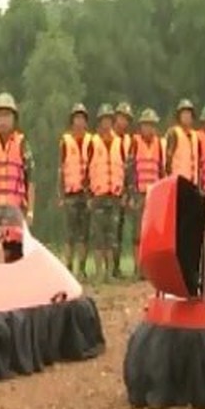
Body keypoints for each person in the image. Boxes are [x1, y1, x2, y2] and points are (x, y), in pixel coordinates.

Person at [0, 92, 35, 227]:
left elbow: (31, 180)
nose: (2, 120)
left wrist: (30, 212)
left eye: (6, 115)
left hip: (15, 208)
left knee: (14, 246)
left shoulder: (22, 143)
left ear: (14, 119)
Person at [125, 108, 164, 279]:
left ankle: (151, 269)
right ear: (141, 127)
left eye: (152, 125)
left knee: (153, 234)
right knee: (137, 234)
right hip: (139, 194)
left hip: (154, 195)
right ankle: (137, 268)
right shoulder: (135, 143)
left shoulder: (159, 144)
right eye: (146, 125)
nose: (149, 129)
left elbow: (162, 169)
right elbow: (130, 170)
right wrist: (131, 194)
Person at [88, 104, 126, 280]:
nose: (107, 123)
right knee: (98, 235)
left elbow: (126, 169)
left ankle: (110, 272)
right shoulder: (93, 142)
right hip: (98, 194)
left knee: (111, 236)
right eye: (104, 119)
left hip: (115, 194)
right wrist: (89, 194)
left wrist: (125, 192)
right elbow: (86, 169)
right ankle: (99, 272)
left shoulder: (120, 143)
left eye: (109, 119)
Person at [59, 103, 93, 276]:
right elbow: (61, 168)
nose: (79, 122)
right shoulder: (65, 141)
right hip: (70, 193)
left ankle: (82, 268)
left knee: (84, 234)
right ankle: (69, 266)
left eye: (82, 118)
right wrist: (61, 194)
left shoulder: (91, 141)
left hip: (86, 193)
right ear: (72, 121)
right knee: (70, 234)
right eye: (76, 118)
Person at [112, 101, 134, 278]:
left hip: (123, 191)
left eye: (126, 119)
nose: (123, 122)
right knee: (108, 233)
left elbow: (131, 169)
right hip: (108, 189)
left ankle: (117, 267)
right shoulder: (106, 138)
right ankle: (110, 267)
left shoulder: (129, 141)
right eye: (121, 117)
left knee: (120, 230)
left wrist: (128, 192)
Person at [164, 98, 199, 183]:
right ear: (179, 116)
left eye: (188, 113)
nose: (186, 116)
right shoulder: (174, 133)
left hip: (192, 181)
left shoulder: (195, 136)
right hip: (176, 181)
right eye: (184, 113)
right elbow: (167, 159)